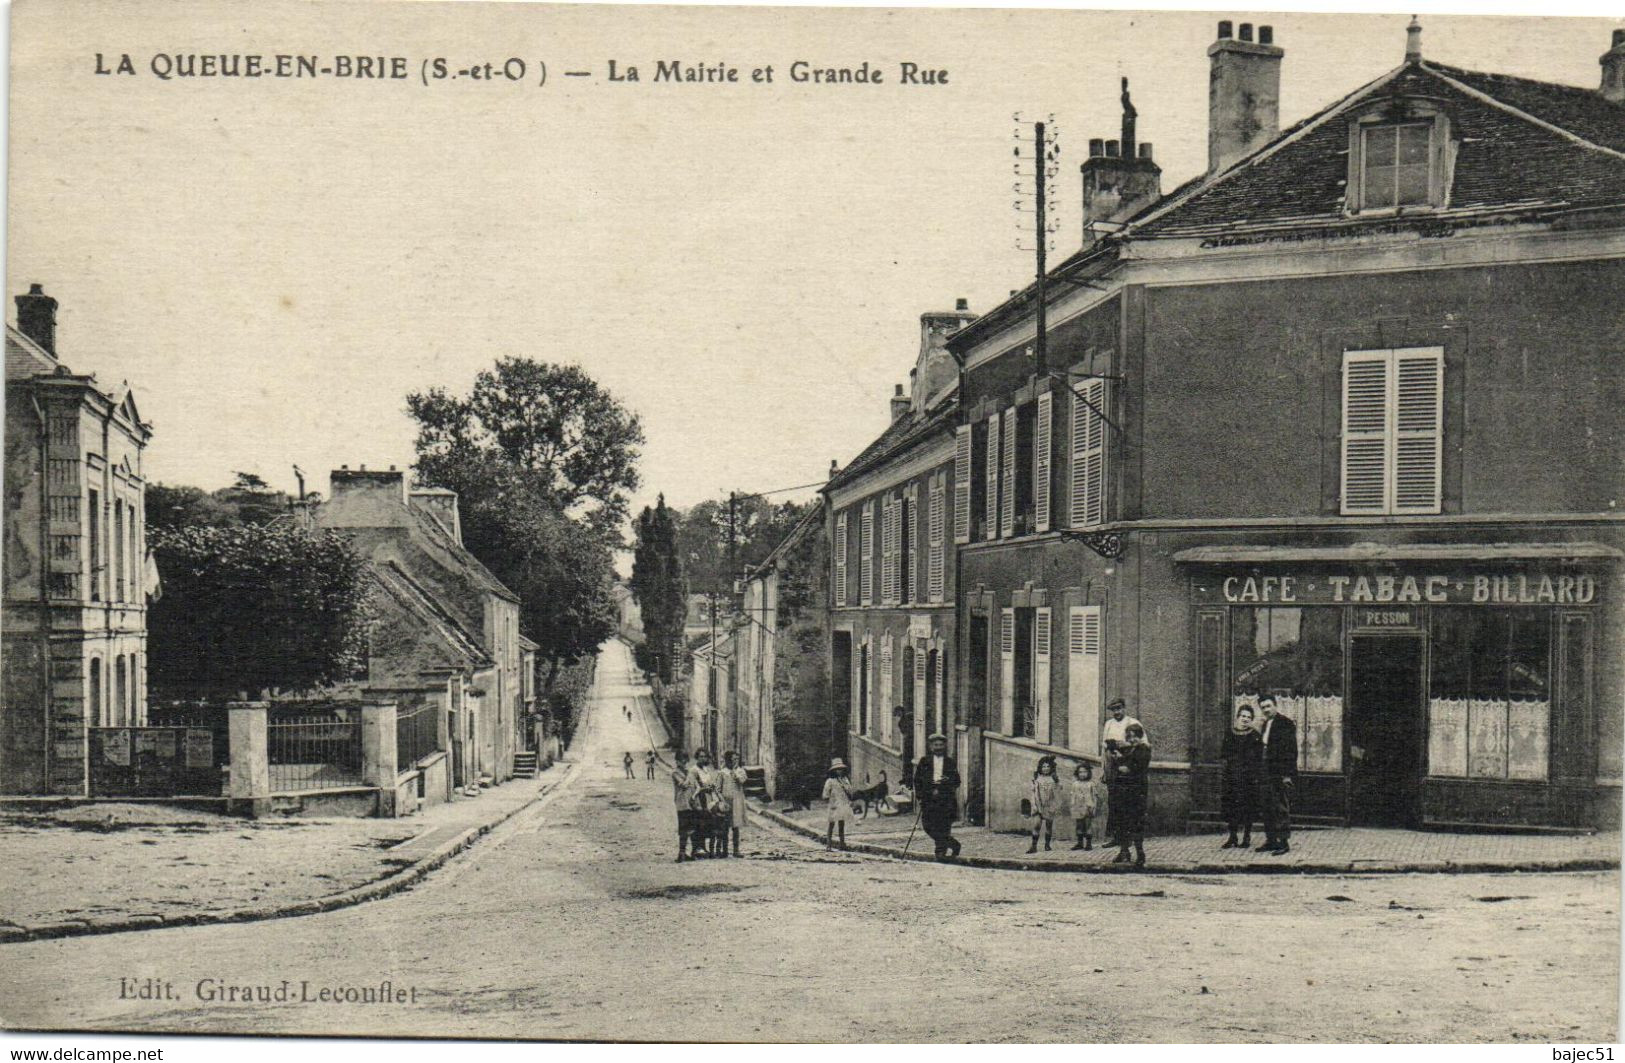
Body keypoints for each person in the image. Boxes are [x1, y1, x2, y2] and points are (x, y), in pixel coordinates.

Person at [1256, 693, 1298, 855]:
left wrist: (1287, 774)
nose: (1266, 710)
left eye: (1268, 706)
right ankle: (1271, 840)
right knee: (1266, 806)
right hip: (1265, 770)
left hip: (1279, 772)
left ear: (1275, 705)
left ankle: (1283, 842)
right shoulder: (1266, 724)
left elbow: (1291, 751)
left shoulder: (1285, 724)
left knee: (1280, 806)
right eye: (1263, 707)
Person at [912, 733, 962, 860]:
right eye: (936, 745)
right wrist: (920, 796)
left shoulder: (950, 762)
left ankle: (940, 852)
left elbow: (957, 781)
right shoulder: (924, 761)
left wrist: (948, 779)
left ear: (944, 746)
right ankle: (954, 844)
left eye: (941, 745)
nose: (938, 747)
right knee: (928, 826)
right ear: (931, 746)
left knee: (944, 826)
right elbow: (917, 780)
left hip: (945, 799)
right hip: (929, 799)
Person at [1220, 703, 1263, 849]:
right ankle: (1232, 837)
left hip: (1248, 778)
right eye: (1243, 716)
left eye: (1249, 717)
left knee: (1247, 807)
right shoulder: (1229, 734)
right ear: (1238, 717)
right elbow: (1224, 754)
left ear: (1252, 720)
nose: (1245, 719)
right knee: (1231, 806)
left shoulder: (1255, 736)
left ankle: (1246, 837)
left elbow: (1258, 758)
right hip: (1232, 776)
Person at [1100, 698, 1142, 846]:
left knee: (1127, 802)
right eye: (1114, 710)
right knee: (1114, 802)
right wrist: (1103, 769)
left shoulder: (1133, 723)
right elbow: (1104, 747)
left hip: (1127, 765)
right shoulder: (1109, 724)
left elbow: (1141, 745)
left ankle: (1128, 837)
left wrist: (1125, 746)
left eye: (1119, 709)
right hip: (1112, 765)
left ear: (1124, 708)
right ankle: (1116, 837)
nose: (1117, 712)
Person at [1111, 723, 1151, 868]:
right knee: (1123, 821)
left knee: (1136, 822)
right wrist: (1120, 757)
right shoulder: (1132, 749)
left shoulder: (1144, 749)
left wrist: (1122, 764)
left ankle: (1140, 853)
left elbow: (1134, 768)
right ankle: (1124, 851)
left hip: (1136, 791)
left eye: (1135, 736)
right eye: (1130, 736)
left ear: (1140, 736)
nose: (1132, 739)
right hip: (1125, 790)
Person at [690, 749, 724, 857]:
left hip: (707, 799)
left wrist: (711, 787)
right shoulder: (694, 770)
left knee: (705, 823)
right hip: (699, 799)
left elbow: (709, 782)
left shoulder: (705, 769)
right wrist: (704, 789)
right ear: (697, 757)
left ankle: (703, 847)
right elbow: (694, 786)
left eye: (705, 756)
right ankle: (696, 849)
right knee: (698, 823)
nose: (703, 758)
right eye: (700, 756)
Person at [1027, 755, 1062, 854]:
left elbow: (1057, 794)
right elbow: (1033, 793)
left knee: (1048, 826)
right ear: (1040, 768)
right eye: (1043, 767)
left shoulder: (1053, 780)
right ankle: (1033, 846)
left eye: (1047, 767)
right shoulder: (1036, 779)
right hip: (1038, 805)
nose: (1045, 769)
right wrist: (1034, 805)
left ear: (1051, 768)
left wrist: (1055, 805)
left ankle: (1047, 844)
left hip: (1049, 806)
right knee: (1036, 825)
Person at [719, 750, 748, 857]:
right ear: (728, 760)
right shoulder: (722, 772)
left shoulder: (741, 771)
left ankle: (736, 850)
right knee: (724, 826)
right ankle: (724, 850)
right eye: (732, 759)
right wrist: (721, 800)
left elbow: (742, 781)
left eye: (736, 759)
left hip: (736, 801)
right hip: (726, 801)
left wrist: (735, 772)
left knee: (736, 826)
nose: (735, 761)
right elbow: (718, 788)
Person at [670, 750, 697, 862]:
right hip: (681, 803)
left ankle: (689, 852)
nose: (683, 762)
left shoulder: (687, 771)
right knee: (683, 829)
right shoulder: (675, 772)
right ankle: (681, 853)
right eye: (681, 760)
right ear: (677, 761)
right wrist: (690, 775)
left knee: (690, 828)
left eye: (685, 760)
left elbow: (693, 786)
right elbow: (684, 785)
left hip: (690, 802)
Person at [1067, 762, 1100, 851]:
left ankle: (1089, 844)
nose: (1082, 774)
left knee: (1088, 825)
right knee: (1079, 826)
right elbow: (1072, 795)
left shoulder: (1091, 784)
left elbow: (1094, 796)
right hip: (1077, 807)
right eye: (1080, 772)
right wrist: (1072, 806)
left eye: (1084, 772)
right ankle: (1080, 843)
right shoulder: (1075, 784)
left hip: (1088, 807)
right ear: (1077, 773)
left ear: (1088, 773)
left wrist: (1094, 807)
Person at [822, 758, 855, 850]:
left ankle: (842, 843)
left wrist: (847, 788)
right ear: (833, 771)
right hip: (834, 804)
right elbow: (825, 794)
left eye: (840, 769)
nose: (839, 771)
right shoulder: (830, 781)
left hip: (843, 804)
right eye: (837, 769)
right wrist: (829, 800)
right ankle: (828, 845)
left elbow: (850, 791)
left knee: (841, 824)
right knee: (831, 824)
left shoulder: (845, 780)